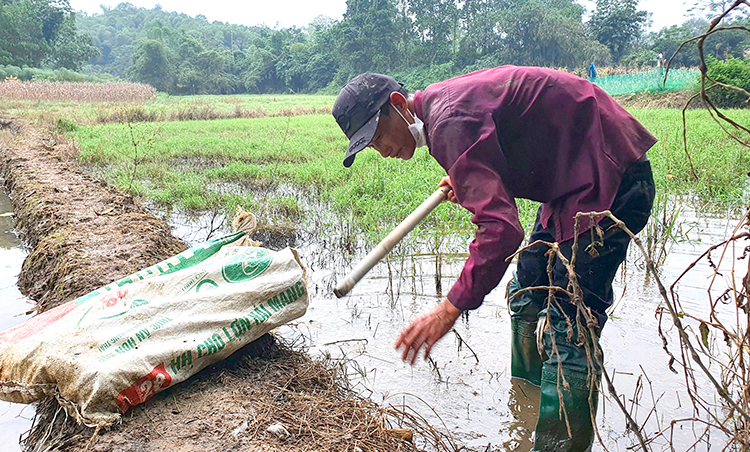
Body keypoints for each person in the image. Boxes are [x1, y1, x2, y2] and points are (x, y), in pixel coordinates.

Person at [331, 66, 656, 451]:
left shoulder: (448, 121)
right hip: (569, 183)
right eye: (371, 146)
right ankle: (529, 407)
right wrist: (468, 171)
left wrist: (451, 307)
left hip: (608, 179)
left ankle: (557, 445)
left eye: (380, 136)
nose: (382, 150)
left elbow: (501, 230)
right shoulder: (441, 110)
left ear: (399, 106)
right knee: (527, 292)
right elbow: (503, 133)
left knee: (570, 325)